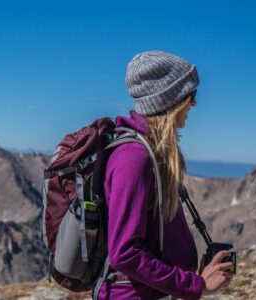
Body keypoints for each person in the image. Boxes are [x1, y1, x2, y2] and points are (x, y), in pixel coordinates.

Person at [96, 50, 234, 299]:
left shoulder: (151, 151)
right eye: (191, 94)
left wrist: (191, 274)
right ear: (171, 99)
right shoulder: (134, 158)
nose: (194, 103)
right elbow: (125, 253)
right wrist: (196, 285)